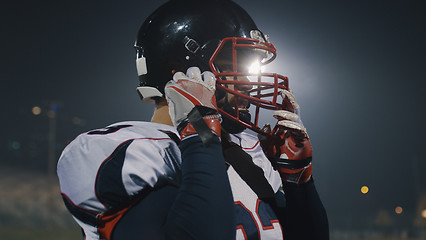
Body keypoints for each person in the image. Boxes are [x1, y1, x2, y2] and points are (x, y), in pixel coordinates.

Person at [57, 0, 329, 239]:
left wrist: (298, 183)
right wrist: (201, 133)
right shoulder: (131, 152)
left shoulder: (250, 150)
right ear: (180, 70)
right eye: (235, 65)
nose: (248, 83)